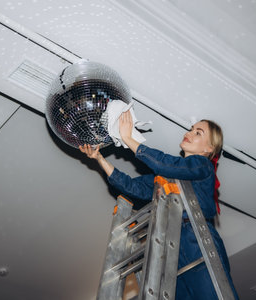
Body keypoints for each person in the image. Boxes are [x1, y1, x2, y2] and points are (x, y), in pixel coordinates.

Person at [79, 111, 238, 300]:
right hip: (171, 244)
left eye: (198, 133)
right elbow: (132, 186)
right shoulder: (167, 178)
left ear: (209, 149)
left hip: (197, 240)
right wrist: (99, 159)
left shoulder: (202, 165)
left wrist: (128, 138)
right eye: (191, 129)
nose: (190, 132)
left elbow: (165, 164)